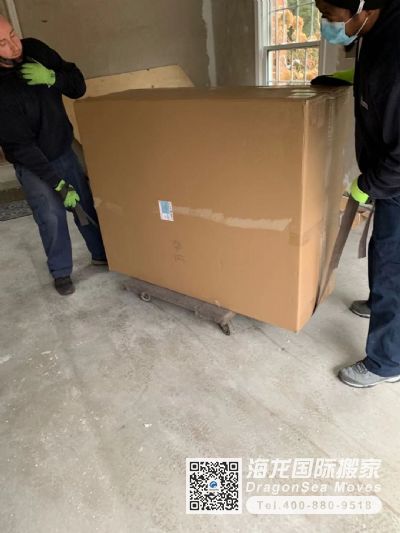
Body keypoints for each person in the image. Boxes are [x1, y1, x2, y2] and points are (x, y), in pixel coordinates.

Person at [314, 0, 400, 387]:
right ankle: (378, 302)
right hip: (388, 172)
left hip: (395, 176)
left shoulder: (396, 54)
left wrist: (368, 185)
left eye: (328, 15)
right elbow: (378, 83)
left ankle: (386, 362)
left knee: (394, 266)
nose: (325, 23)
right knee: (385, 249)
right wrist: (345, 78)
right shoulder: (376, 27)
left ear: (362, 9)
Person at [0, 15, 107, 296]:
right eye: (2, 43)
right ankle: (61, 271)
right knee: (50, 214)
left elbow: (77, 85)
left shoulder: (36, 49)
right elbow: (21, 147)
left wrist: (52, 78)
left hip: (63, 148)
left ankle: (102, 254)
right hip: (32, 164)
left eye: (12, 35)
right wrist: (58, 184)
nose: (14, 46)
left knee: (84, 203)